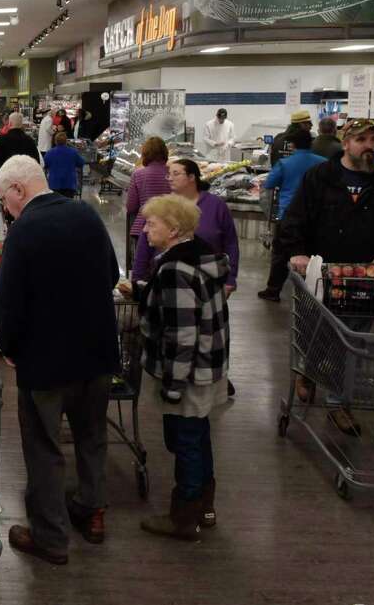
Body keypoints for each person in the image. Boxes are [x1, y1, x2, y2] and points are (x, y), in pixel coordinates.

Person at [0, 156, 119, 561]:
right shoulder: (85, 214)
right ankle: (92, 511)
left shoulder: (24, 230)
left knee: (44, 448)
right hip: (97, 353)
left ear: (18, 190)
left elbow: (7, 304)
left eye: (3, 200)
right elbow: (113, 274)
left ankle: (50, 537)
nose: (5, 209)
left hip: (44, 363)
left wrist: (10, 348)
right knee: (92, 436)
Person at [273, 118, 374, 436]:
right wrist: (296, 252)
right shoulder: (320, 178)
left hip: (365, 280)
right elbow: (294, 219)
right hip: (320, 278)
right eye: (361, 139)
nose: (369, 146)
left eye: (373, 140)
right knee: (315, 334)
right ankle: (307, 371)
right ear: (346, 143)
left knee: (353, 341)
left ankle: (338, 403)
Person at [137, 194, 230, 541]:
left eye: (152, 223)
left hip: (187, 372)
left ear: (174, 229)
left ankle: (183, 517)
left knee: (184, 441)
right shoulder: (203, 256)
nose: (145, 229)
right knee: (199, 434)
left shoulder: (175, 270)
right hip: (209, 365)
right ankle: (205, 506)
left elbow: (183, 334)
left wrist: (173, 386)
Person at [133, 159, 239, 292]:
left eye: (176, 174)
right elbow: (144, 244)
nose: (170, 178)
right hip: (166, 278)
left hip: (209, 279)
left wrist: (230, 279)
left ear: (191, 177)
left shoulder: (216, 205)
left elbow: (231, 243)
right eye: (169, 174)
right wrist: (137, 278)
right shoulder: (161, 205)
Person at [256, 130, 327, 302]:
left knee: (280, 254)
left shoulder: (285, 163)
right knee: (312, 256)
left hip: (288, 215)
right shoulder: (324, 163)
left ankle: (273, 291)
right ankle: (313, 295)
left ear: (292, 145)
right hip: (316, 218)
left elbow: (270, 183)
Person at [126, 137, 172, 244]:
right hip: (169, 227)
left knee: (143, 260)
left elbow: (131, 207)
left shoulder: (137, 174)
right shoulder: (173, 173)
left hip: (144, 227)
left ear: (145, 154)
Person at [43, 132, 86, 198]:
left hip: (54, 184)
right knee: (68, 205)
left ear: (55, 141)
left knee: (56, 204)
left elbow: (44, 165)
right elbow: (81, 163)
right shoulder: (73, 152)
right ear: (66, 141)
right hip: (69, 184)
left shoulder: (49, 153)